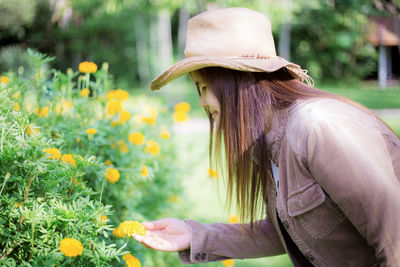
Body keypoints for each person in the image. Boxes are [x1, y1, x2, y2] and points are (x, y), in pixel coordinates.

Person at [132, 7, 400, 266]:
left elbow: (394, 242)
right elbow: (290, 229)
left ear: (235, 81)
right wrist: (194, 235)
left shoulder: (320, 128)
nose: (202, 102)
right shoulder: (272, 139)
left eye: (204, 87)